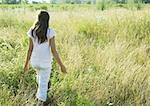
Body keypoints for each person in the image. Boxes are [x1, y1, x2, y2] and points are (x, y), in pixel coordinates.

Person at [23, 11, 67, 106]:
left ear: (38, 19)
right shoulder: (50, 32)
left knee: (40, 78)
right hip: (45, 63)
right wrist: (61, 66)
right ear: (47, 20)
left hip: (34, 62)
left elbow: (29, 50)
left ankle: (39, 95)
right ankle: (40, 102)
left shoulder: (32, 31)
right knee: (43, 85)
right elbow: (54, 51)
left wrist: (26, 64)